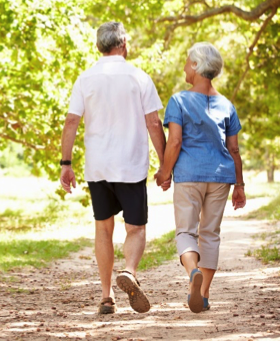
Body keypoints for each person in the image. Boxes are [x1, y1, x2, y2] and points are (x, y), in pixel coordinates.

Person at [60, 22, 167, 314]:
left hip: (98, 166)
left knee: (103, 228)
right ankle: (129, 272)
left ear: (99, 46)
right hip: (130, 165)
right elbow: (154, 123)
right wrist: (165, 164)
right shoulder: (139, 77)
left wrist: (65, 163)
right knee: (136, 228)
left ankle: (107, 297)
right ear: (123, 43)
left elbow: (71, 121)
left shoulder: (85, 78)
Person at [155, 42, 247, 313]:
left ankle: (193, 271)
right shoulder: (227, 105)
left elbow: (174, 142)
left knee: (186, 231)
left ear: (195, 66)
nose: (184, 66)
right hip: (221, 177)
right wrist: (239, 185)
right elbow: (234, 149)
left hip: (189, 175)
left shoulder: (179, 100)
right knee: (210, 234)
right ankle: (203, 294)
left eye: (186, 62)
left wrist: (164, 172)